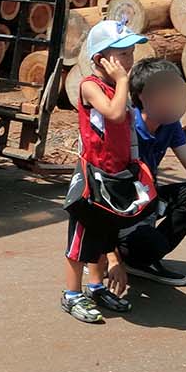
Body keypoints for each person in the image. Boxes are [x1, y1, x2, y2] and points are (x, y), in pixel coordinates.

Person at [61, 20, 149, 324]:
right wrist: (123, 81)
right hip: (92, 178)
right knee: (81, 240)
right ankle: (71, 294)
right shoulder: (90, 86)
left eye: (131, 53)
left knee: (104, 236)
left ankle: (96, 287)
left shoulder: (117, 87)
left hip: (116, 175)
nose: (130, 60)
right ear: (101, 59)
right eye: (123, 54)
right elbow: (112, 114)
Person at [118, 57, 186, 286]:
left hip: (148, 198)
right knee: (151, 243)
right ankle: (116, 254)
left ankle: (142, 258)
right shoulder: (125, 125)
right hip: (121, 204)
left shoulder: (169, 124)